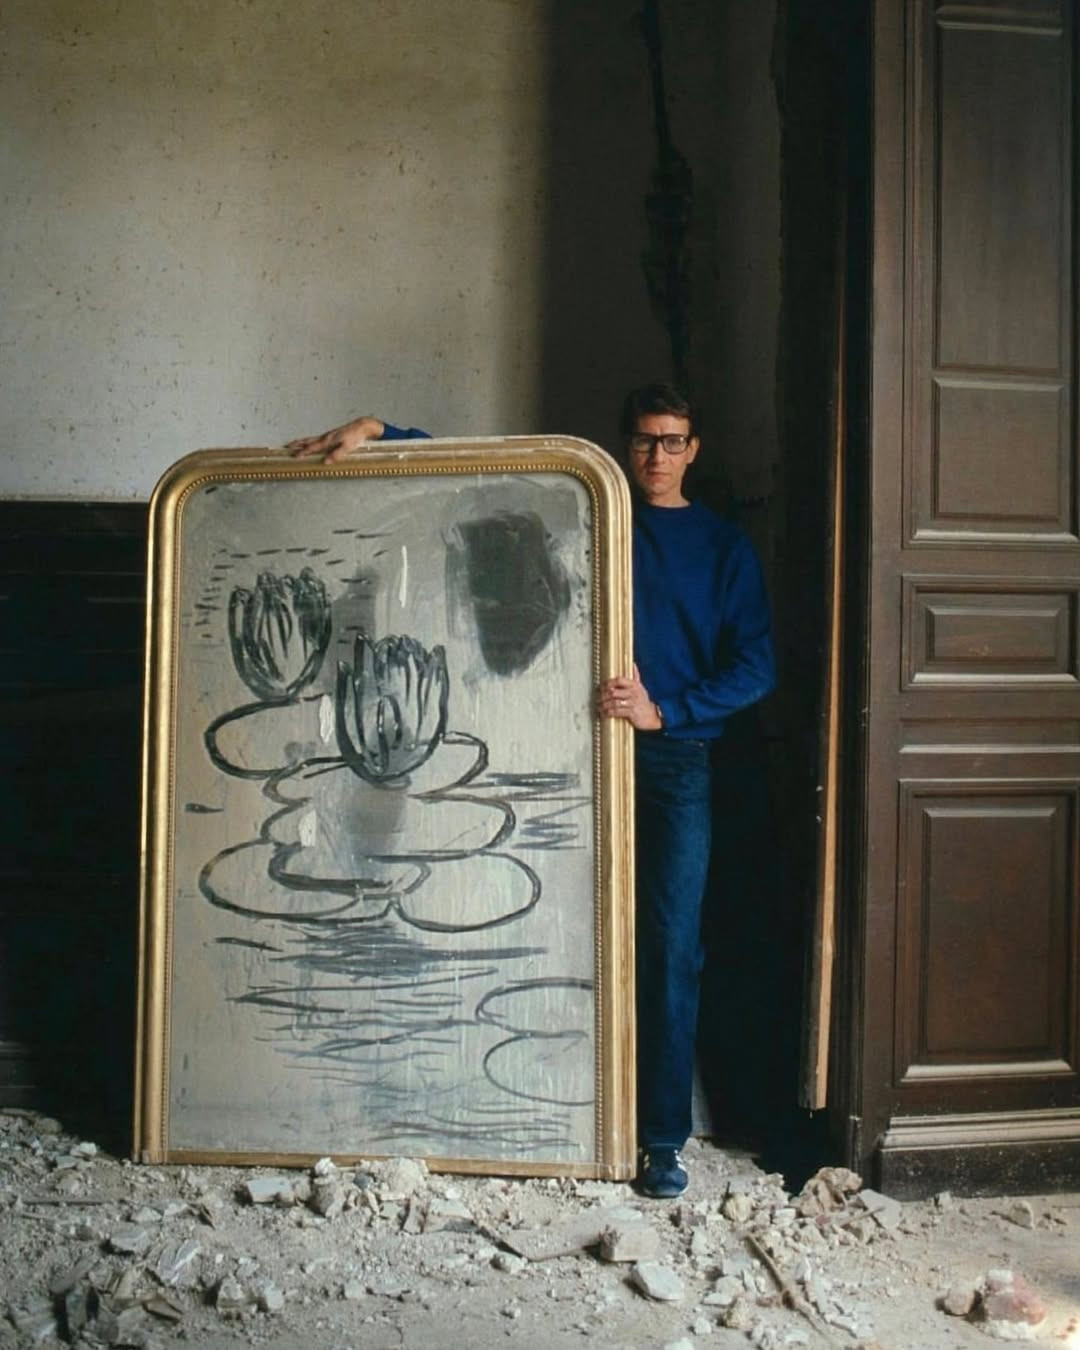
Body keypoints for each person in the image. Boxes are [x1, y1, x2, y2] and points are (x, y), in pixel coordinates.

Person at [288, 383, 776, 1198]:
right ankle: (545, 1115)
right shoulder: (584, 509)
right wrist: (385, 427)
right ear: (625, 445)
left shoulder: (724, 547)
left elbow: (757, 666)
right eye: (644, 439)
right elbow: (493, 474)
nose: (656, 455)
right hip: (570, 752)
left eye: (672, 441)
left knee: (669, 945)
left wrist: (667, 710)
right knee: (556, 926)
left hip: (675, 762)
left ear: (694, 450)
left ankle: (661, 1139)